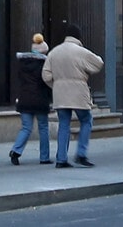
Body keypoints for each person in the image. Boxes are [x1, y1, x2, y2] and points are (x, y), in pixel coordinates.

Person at [43, 24, 103, 168]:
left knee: (64, 124)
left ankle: (61, 159)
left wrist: (57, 85)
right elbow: (99, 63)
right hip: (78, 91)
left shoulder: (54, 52)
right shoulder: (81, 51)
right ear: (78, 37)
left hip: (60, 93)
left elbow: (45, 75)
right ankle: (81, 154)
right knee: (86, 120)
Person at [8, 35, 51, 166]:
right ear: (44, 51)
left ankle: (16, 151)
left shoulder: (22, 63)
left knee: (26, 127)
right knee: (43, 128)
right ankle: (44, 157)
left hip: (24, 98)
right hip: (40, 99)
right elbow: (47, 81)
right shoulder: (44, 63)